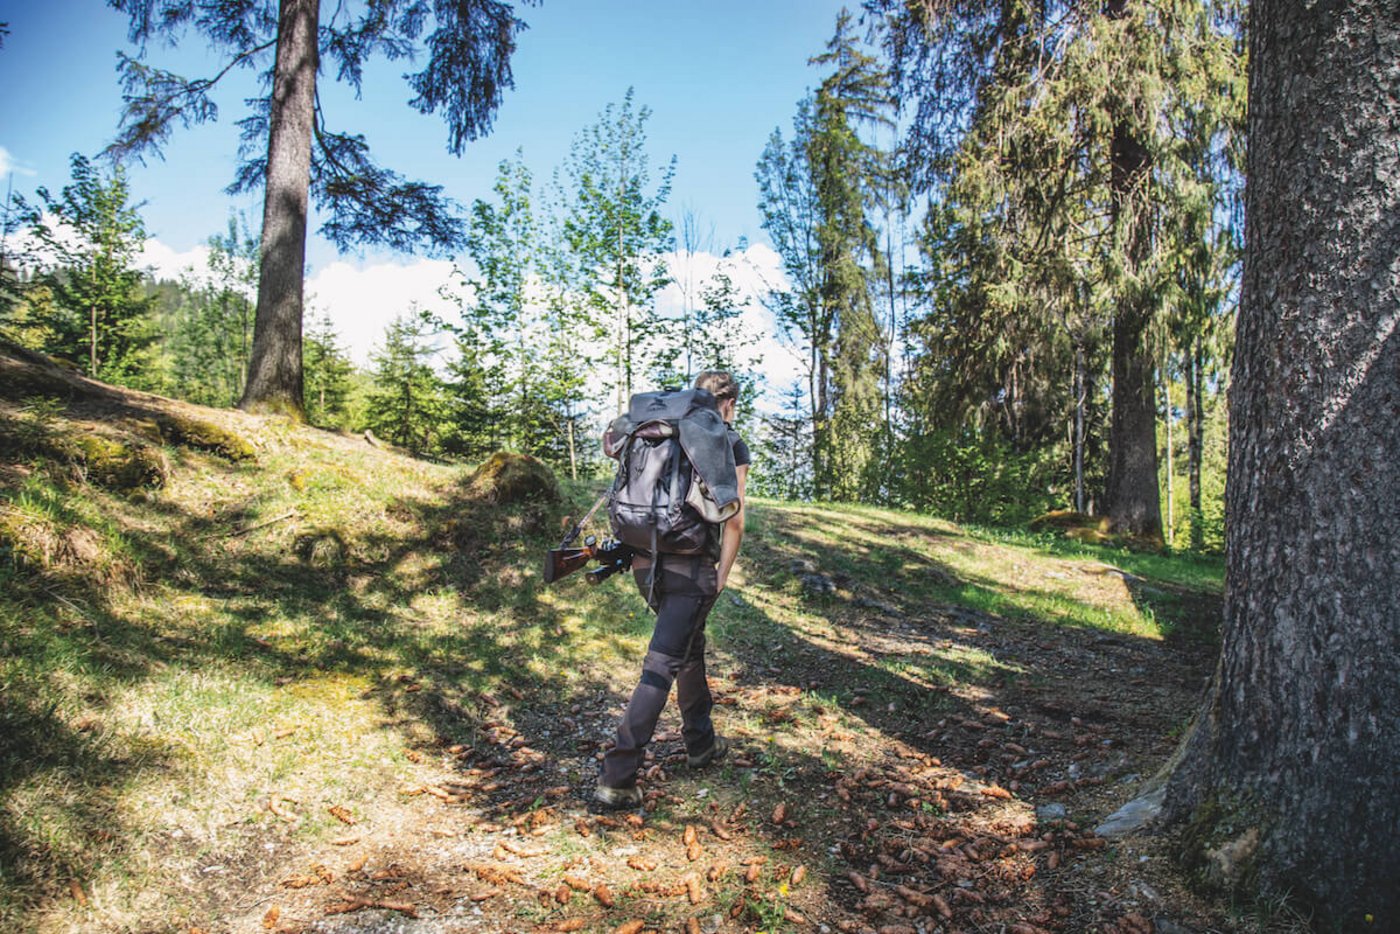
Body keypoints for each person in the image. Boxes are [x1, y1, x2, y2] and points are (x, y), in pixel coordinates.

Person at [595, 370, 750, 809]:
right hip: (691, 567)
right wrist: (721, 572)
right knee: (661, 664)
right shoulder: (725, 439)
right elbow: (734, 518)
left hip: (646, 560)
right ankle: (618, 776)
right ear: (729, 403)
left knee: (688, 647)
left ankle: (700, 742)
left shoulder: (654, 431)